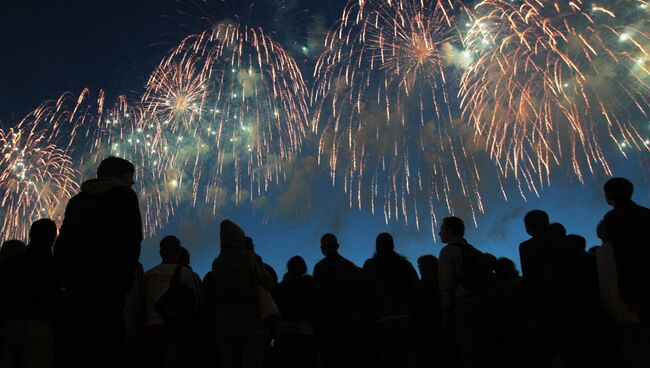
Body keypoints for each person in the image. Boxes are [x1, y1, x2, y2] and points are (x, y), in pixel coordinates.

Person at [54, 156, 143, 368]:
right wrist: (125, 280)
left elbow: (63, 244)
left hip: (76, 287)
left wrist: (65, 281)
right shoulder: (124, 196)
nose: (132, 182)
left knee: (76, 348)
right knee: (107, 346)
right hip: (109, 285)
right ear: (121, 176)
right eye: (130, 177)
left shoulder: (77, 201)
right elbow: (132, 240)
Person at [209, 220, 275, 368]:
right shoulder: (251, 257)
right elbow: (268, 284)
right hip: (253, 325)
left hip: (226, 327)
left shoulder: (217, 263)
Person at [0, 219, 57, 368]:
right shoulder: (55, 266)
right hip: (40, 325)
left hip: (9, 324)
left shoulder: (11, 264)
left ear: (31, 234)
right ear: (53, 237)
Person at [142, 236, 202, 368]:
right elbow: (195, 302)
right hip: (175, 328)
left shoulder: (148, 275)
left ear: (160, 252)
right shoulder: (184, 272)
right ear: (178, 252)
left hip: (151, 329)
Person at [361, 233, 420, 368]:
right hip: (406, 319)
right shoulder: (405, 265)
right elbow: (416, 290)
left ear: (377, 246)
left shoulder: (370, 265)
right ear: (392, 245)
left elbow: (364, 292)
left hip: (382, 320)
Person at [438, 216, 488, 368]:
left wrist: (445, 314)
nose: (439, 233)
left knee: (467, 352)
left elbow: (446, 285)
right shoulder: (477, 253)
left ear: (450, 231)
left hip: (463, 307)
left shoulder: (447, 252)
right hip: (483, 305)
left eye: (442, 229)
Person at [602, 177, 650, 323]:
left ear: (609, 195)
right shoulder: (646, 213)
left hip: (632, 279)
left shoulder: (612, 218)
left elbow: (619, 253)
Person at [313, 233, 363, 368]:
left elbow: (318, 298)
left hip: (328, 326)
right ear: (337, 246)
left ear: (322, 248)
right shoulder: (351, 267)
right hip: (350, 325)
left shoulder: (319, 268)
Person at [274, 256, 317, 368]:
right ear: (303, 268)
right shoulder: (309, 282)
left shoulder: (281, 286)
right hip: (305, 331)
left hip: (283, 332)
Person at [414, 255, 446, 368]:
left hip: (428, 328)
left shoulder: (421, 286)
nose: (419, 269)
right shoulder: (441, 282)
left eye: (420, 266)